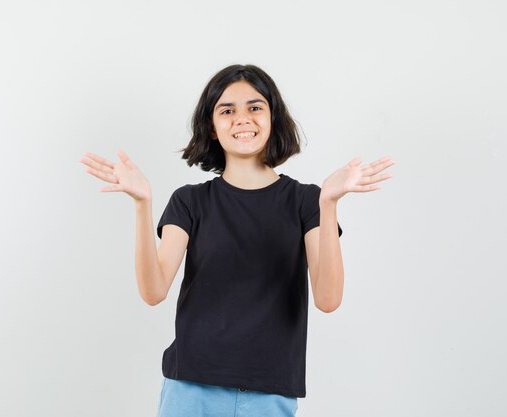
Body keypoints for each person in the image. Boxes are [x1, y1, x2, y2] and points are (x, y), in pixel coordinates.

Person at [80, 64, 395, 417]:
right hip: (190, 390)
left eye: (255, 107)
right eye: (227, 110)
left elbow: (328, 299)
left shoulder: (306, 201)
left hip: (268, 393)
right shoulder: (189, 201)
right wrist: (143, 204)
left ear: (273, 118)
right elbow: (153, 291)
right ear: (212, 128)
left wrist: (329, 203)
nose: (242, 119)